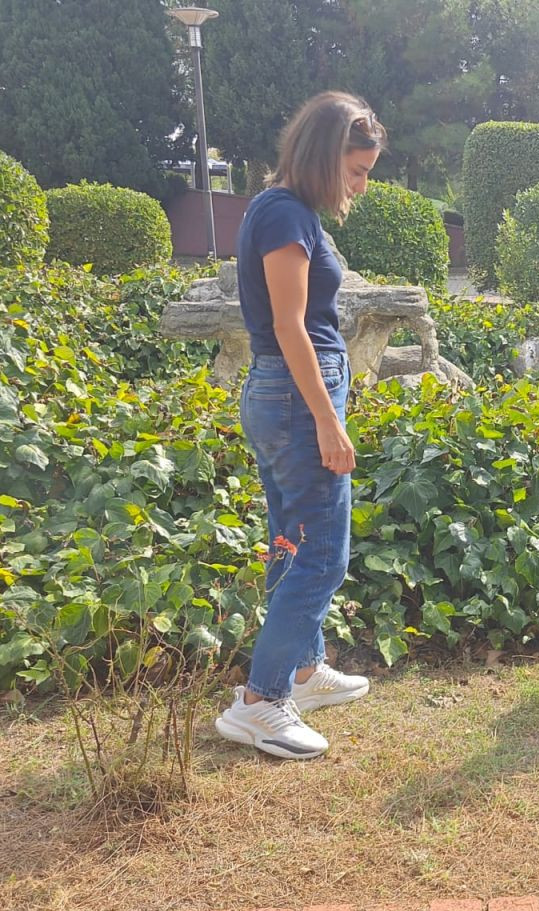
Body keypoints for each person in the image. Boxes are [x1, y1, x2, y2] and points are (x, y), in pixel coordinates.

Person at [215, 92, 387, 760]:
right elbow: (290, 327)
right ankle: (260, 701)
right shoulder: (286, 215)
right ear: (323, 157)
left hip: (284, 397)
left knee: (290, 540)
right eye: (356, 170)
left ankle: (304, 671)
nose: (361, 185)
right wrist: (327, 420)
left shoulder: (281, 208)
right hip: (296, 398)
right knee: (319, 556)